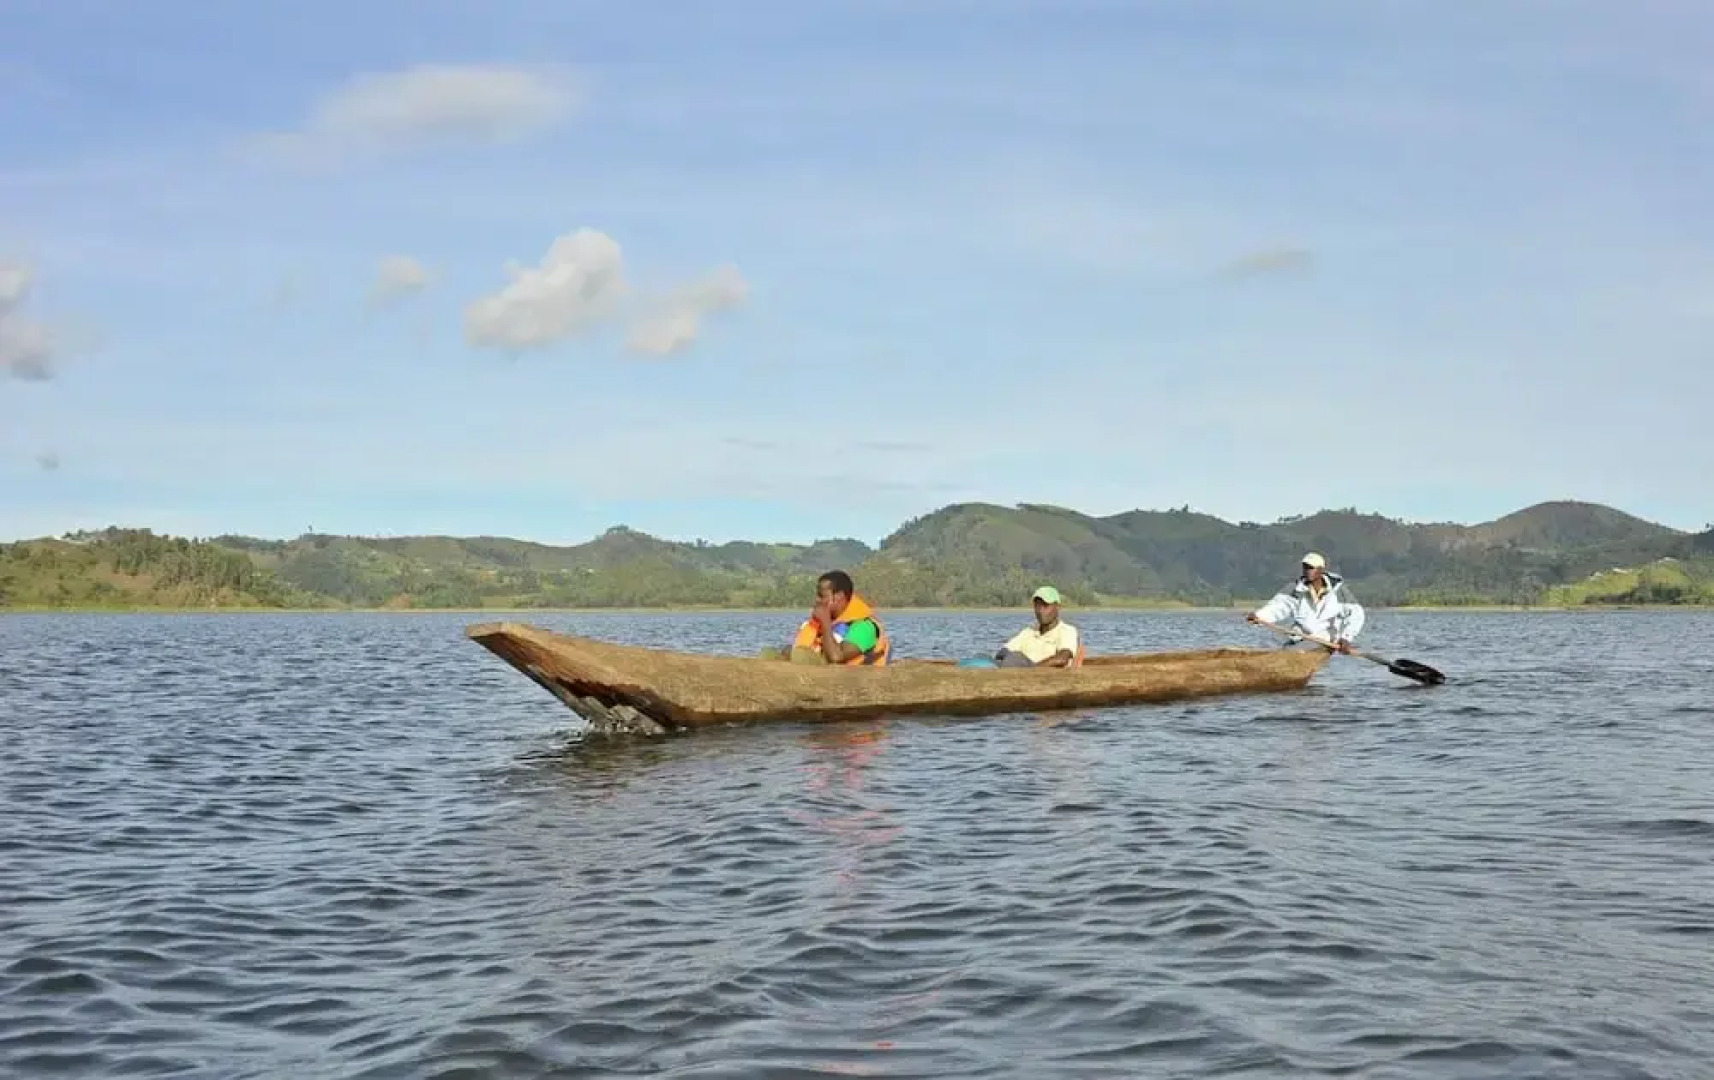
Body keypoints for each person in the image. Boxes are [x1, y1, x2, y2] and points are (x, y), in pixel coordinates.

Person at [1246, 552, 1365, 653]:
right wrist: (1259, 616)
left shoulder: (1338, 590)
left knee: (1297, 652)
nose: (1307, 571)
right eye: (1305, 567)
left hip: (1326, 638)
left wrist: (1346, 638)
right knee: (1285, 650)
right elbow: (1279, 606)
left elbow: (1356, 614)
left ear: (1320, 570)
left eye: (1310, 567)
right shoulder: (1296, 589)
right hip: (1301, 637)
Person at [786, 570, 891, 665]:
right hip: (816, 666)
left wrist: (825, 621)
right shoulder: (830, 622)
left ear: (838, 596)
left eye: (822, 596)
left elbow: (836, 657)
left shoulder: (864, 627)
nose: (817, 600)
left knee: (799, 655)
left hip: (849, 679)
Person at [994, 585, 1082, 668]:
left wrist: (1031, 670)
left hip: (1045, 676)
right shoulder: (1029, 632)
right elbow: (1003, 652)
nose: (1040, 611)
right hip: (1020, 671)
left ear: (1058, 607)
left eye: (1045, 605)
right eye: (1037, 606)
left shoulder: (1067, 630)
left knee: (1015, 658)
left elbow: (1062, 659)